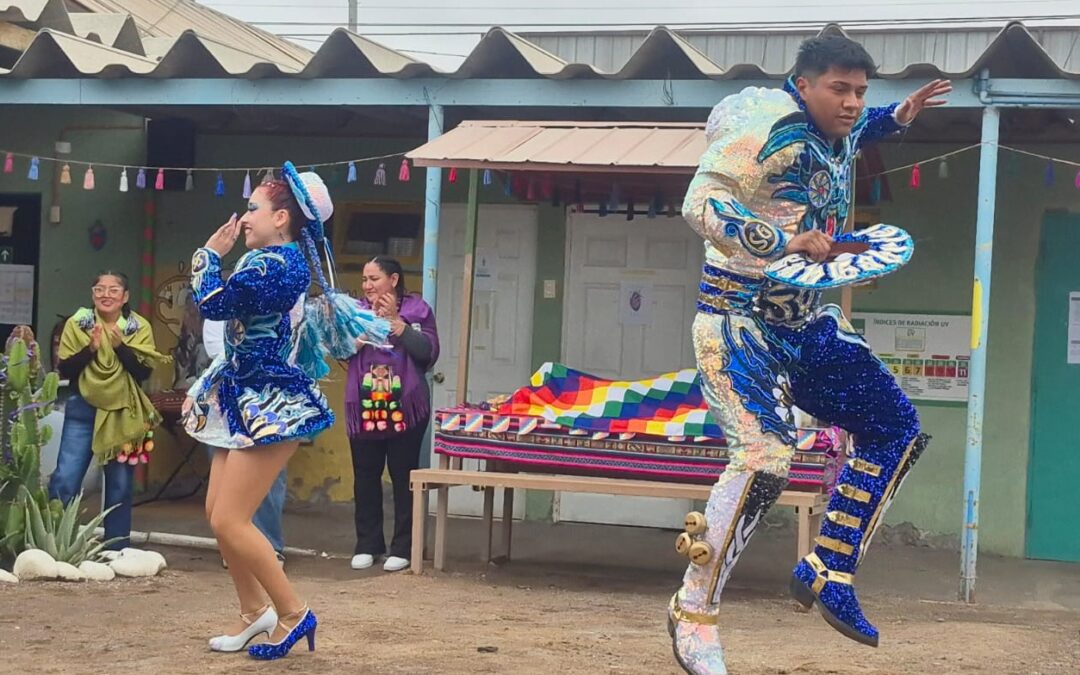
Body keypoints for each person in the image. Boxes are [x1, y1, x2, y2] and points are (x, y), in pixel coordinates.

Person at [668, 36, 950, 673]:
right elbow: (699, 202)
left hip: (809, 321)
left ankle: (828, 569)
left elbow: (862, 126)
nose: (852, 104)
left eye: (860, 92)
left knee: (895, 426)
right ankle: (694, 607)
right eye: (839, 90)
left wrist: (898, 117)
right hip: (739, 323)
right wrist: (781, 238)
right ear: (802, 84)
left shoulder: (845, 124)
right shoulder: (761, 131)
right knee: (766, 459)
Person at [184, 162, 387, 660]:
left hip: (270, 402)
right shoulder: (277, 261)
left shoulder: (275, 265)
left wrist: (209, 254)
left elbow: (212, 301)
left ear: (283, 219)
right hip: (242, 396)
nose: (244, 217)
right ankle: (255, 613)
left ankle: (294, 614)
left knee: (232, 520)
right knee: (218, 514)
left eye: (253, 208)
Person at [51, 271, 168, 550]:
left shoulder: (137, 327)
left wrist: (120, 348)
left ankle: (117, 550)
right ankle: (54, 545)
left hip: (121, 411)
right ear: (92, 294)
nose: (106, 295)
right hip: (83, 407)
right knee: (65, 479)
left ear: (125, 296)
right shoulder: (78, 324)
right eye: (100, 289)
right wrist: (90, 349)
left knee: (119, 485)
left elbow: (143, 370)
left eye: (113, 290)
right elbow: (65, 368)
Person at [346, 256, 439, 573]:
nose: (367, 286)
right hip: (365, 407)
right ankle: (367, 544)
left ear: (394, 280)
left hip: (406, 409)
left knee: (403, 476)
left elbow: (427, 353)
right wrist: (363, 331)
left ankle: (403, 546)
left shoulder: (418, 310)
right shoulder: (355, 311)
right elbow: (341, 351)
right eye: (364, 280)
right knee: (365, 476)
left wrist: (397, 323)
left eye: (374, 279)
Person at [203, 318, 287, 567]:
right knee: (220, 497)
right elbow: (214, 348)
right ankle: (233, 548)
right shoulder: (224, 303)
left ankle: (270, 546)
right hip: (228, 397)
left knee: (267, 477)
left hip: (271, 396)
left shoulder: (283, 301)